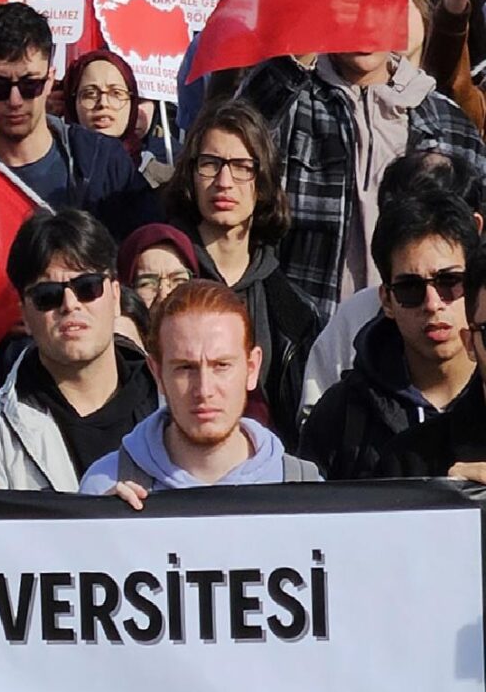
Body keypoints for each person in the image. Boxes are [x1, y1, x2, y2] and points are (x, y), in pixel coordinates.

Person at [240, 41, 486, 323]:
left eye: (377, 14)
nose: (364, 34)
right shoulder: (290, 101)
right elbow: (237, 131)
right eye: (350, 16)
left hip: (416, 330)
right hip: (303, 327)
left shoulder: (447, 120)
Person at [0, 210, 160, 492]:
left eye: (87, 287)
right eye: (48, 295)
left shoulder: (172, 400)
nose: (70, 304)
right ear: (25, 316)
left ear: (116, 296)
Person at [80, 282, 324, 500]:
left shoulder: (306, 489)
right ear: (157, 373)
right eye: (185, 368)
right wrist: (103, 532)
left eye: (221, 365)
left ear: (252, 368)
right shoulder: (107, 484)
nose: (204, 390)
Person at [302, 192, 480, 480]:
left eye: (450, 282)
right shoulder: (340, 414)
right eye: (410, 288)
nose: (432, 303)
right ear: (387, 301)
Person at [167, 100, 315, 441]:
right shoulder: (163, 278)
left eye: (241, 166)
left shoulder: (294, 310)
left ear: (261, 180)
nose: (224, 181)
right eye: (210, 164)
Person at [0, 3, 153, 236]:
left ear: (49, 81)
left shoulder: (104, 161)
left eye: (29, 85)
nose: (15, 100)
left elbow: (150, 243)